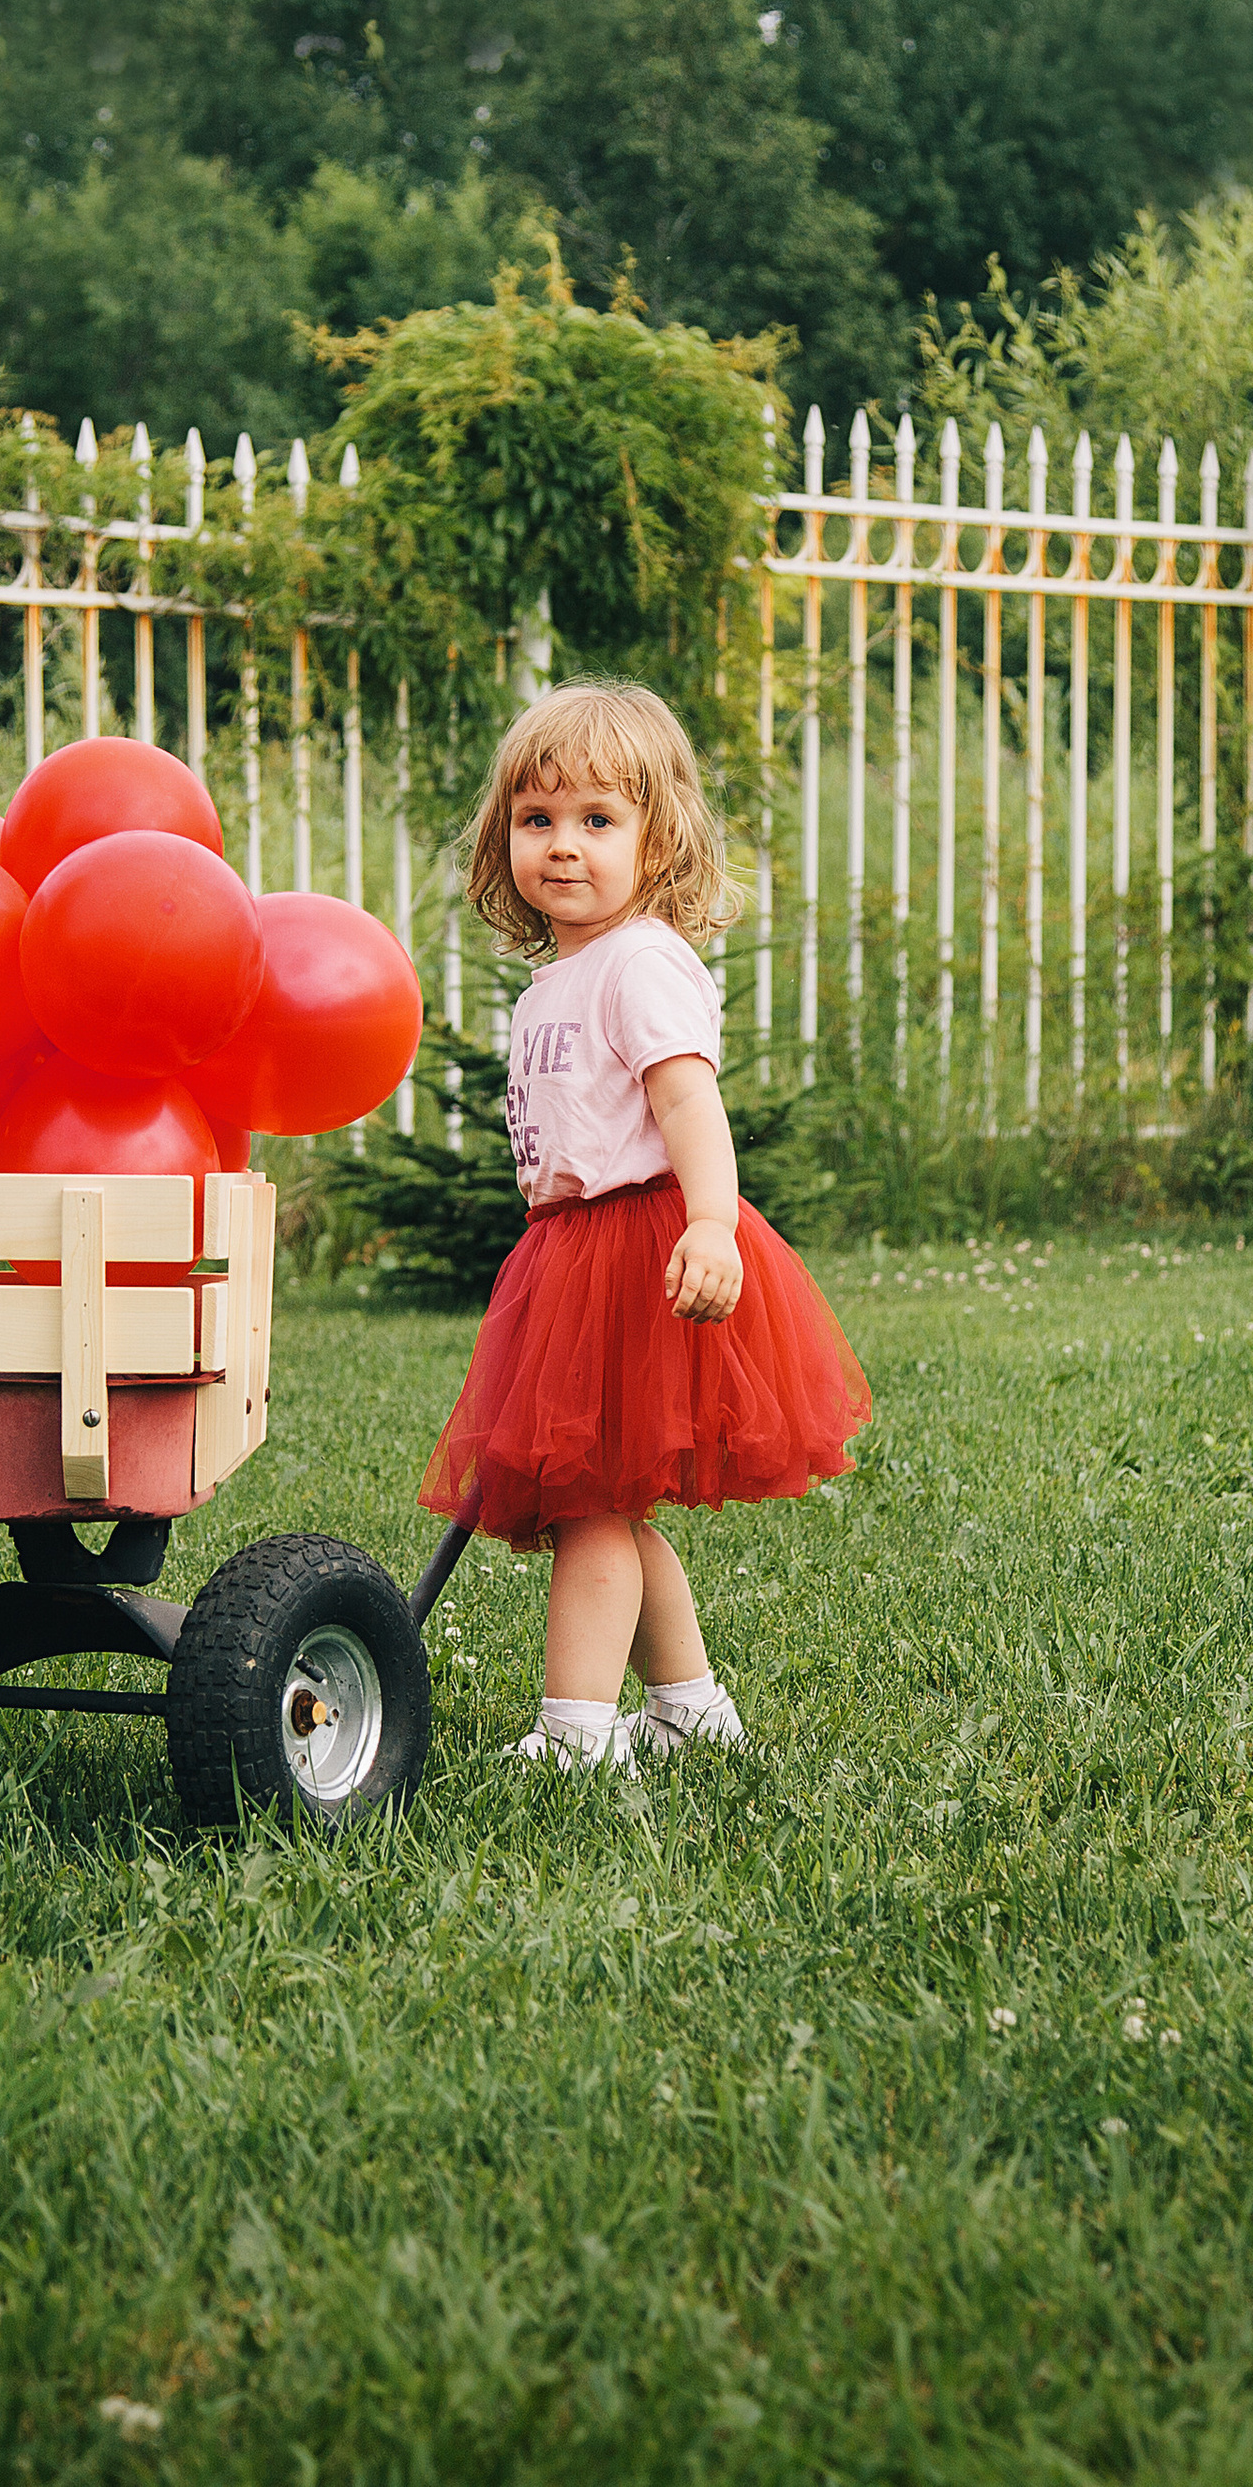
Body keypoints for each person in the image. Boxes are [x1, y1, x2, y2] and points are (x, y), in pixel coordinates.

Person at [418, 679, 869, 1769]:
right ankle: (688, 1708)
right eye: (537, 820)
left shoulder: (641, 962)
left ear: (654, 838)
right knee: (609, 1504)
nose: (561, 846)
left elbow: (686, 1102)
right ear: (504, 838)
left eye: (596, 820)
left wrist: (710, 1224)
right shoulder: (553, 978)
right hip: (571, 1254)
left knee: (587, 1510)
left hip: (645, 1247)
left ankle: (577, 1734)